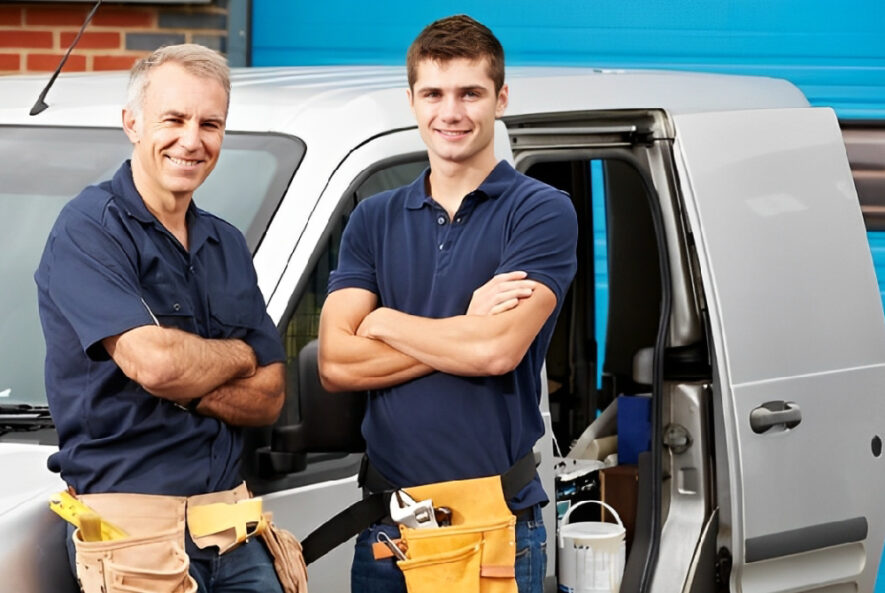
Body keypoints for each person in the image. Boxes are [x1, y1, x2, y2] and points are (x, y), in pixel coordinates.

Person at [317, 14, 578, 593]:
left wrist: (382, 322)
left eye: (470, 93)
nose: (451, 112)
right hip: (389, 530)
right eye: (433, 93)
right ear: (411, 100)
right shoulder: (373, 218)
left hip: (495, 523)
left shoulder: (539, 212)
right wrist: (463, 326)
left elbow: (496, 352)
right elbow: (336, 363)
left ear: (501, 98)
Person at [35, 44, 288, 593]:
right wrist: (234, 357)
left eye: (210, 123)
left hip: (232, 528)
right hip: (132, 533)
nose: (192, 140)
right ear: (132, 123)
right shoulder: (89, 228)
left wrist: (195, 375)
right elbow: (155, 364)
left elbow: (269, 392)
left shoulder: (226, 243)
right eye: (173, 119)